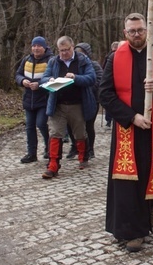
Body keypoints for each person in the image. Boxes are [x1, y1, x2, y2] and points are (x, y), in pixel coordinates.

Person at [99, 13, 153, 253]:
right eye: (131, 31)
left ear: (146, 31)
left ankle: (147, 217)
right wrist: (131, 117)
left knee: (149, 175)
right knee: (127, 181)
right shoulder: (115, 57)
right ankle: (129, 231)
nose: (136, 35)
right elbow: (104, 94)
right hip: (127, 128)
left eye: (140, 30)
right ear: (125, 33)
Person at [39, 36, 97, 177]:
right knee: (55, 133)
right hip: (58, 104)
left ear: (72, 47)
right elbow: (44, 78)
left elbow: (92, 78)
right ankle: (53, 165)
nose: (64, 53)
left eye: (67, 50)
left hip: (77, 104)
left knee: (79, 133)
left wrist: (75, 78)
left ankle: (83, 157)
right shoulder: (53, 62)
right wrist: (49, 80)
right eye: (61, 50)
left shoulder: (83, 60)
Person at [15, 36, 53, 164]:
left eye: (39, 46)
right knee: (30, 127)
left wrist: (39, 85)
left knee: (41, 123)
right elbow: (18, 74)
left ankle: (49, 148)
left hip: (43, 98)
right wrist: (22, 81)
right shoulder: (27, 59)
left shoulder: (50, 60)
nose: (36, 48)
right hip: (28, 99)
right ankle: (32, 153)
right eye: (34, 46)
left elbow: (52, 78)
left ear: (44, 47)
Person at [64, 42, 103, 161]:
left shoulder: (94, 65)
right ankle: (75, 146)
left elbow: (99, 81)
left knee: (89, 125)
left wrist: (84, 87)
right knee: (71, 125)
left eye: (81, 52)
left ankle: (90, 148)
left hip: (92, 100)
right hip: (76, 101)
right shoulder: (72, 64)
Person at [103, 41, 120, 129]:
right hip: (115, 80)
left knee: (110, 102)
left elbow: (104, 68)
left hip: (111, 80)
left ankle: (108, 121)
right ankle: (112, 120)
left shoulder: (108, 56)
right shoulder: (111, 56)